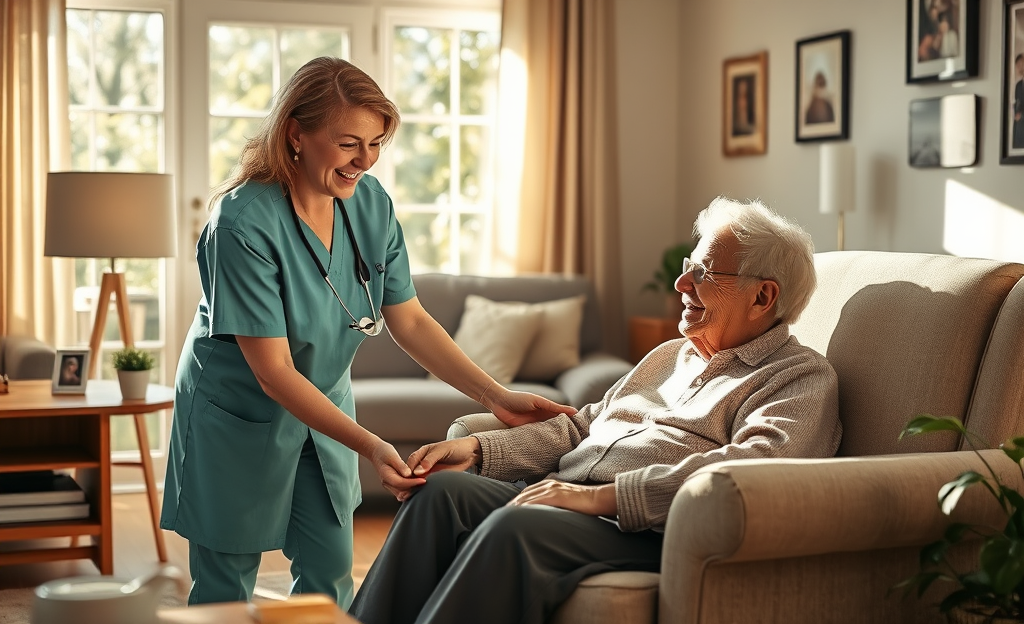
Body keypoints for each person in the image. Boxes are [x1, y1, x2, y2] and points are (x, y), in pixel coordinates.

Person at [159, 56, 575, 608]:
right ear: (295, 134)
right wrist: (373, 447)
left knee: (330, 575)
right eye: (350, 142)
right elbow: (275, 372)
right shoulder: (241, 223)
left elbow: (412, 319)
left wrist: (497, 397)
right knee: (225, 588)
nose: (366, 160)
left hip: (324, 403)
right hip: (241, 409)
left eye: (377, 143)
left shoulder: (371, 205)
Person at [350, 197, 843, 624]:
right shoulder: (669, 355)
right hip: (571, 502)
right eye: (689, 265)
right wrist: (480, 450)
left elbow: (750, 473)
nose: (680, 282)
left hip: (646, 527)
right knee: (438, 493)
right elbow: (583, 426)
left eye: (704, 272)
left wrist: (597, 499)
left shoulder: (798, 379)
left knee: (515, 528)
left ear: (763, 295)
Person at [1013, 53, 1024, 150]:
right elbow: (1017, 102)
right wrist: (1016, 113)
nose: (1019, 68)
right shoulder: (1018, 85)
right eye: (1018, 65)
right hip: (1020, 123)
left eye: (1021, 64)